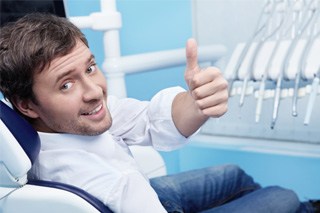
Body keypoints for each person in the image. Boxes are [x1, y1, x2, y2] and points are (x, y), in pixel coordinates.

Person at [0, 13, 318, 213]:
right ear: (26, 104)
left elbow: (151, 118)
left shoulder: (64, 124)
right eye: (66, 85)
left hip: (145, 195)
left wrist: (196, 104)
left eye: (91, 68)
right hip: (139, 203)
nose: (94, 90)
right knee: (282, 197)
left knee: (233, 174)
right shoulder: (114, 182)